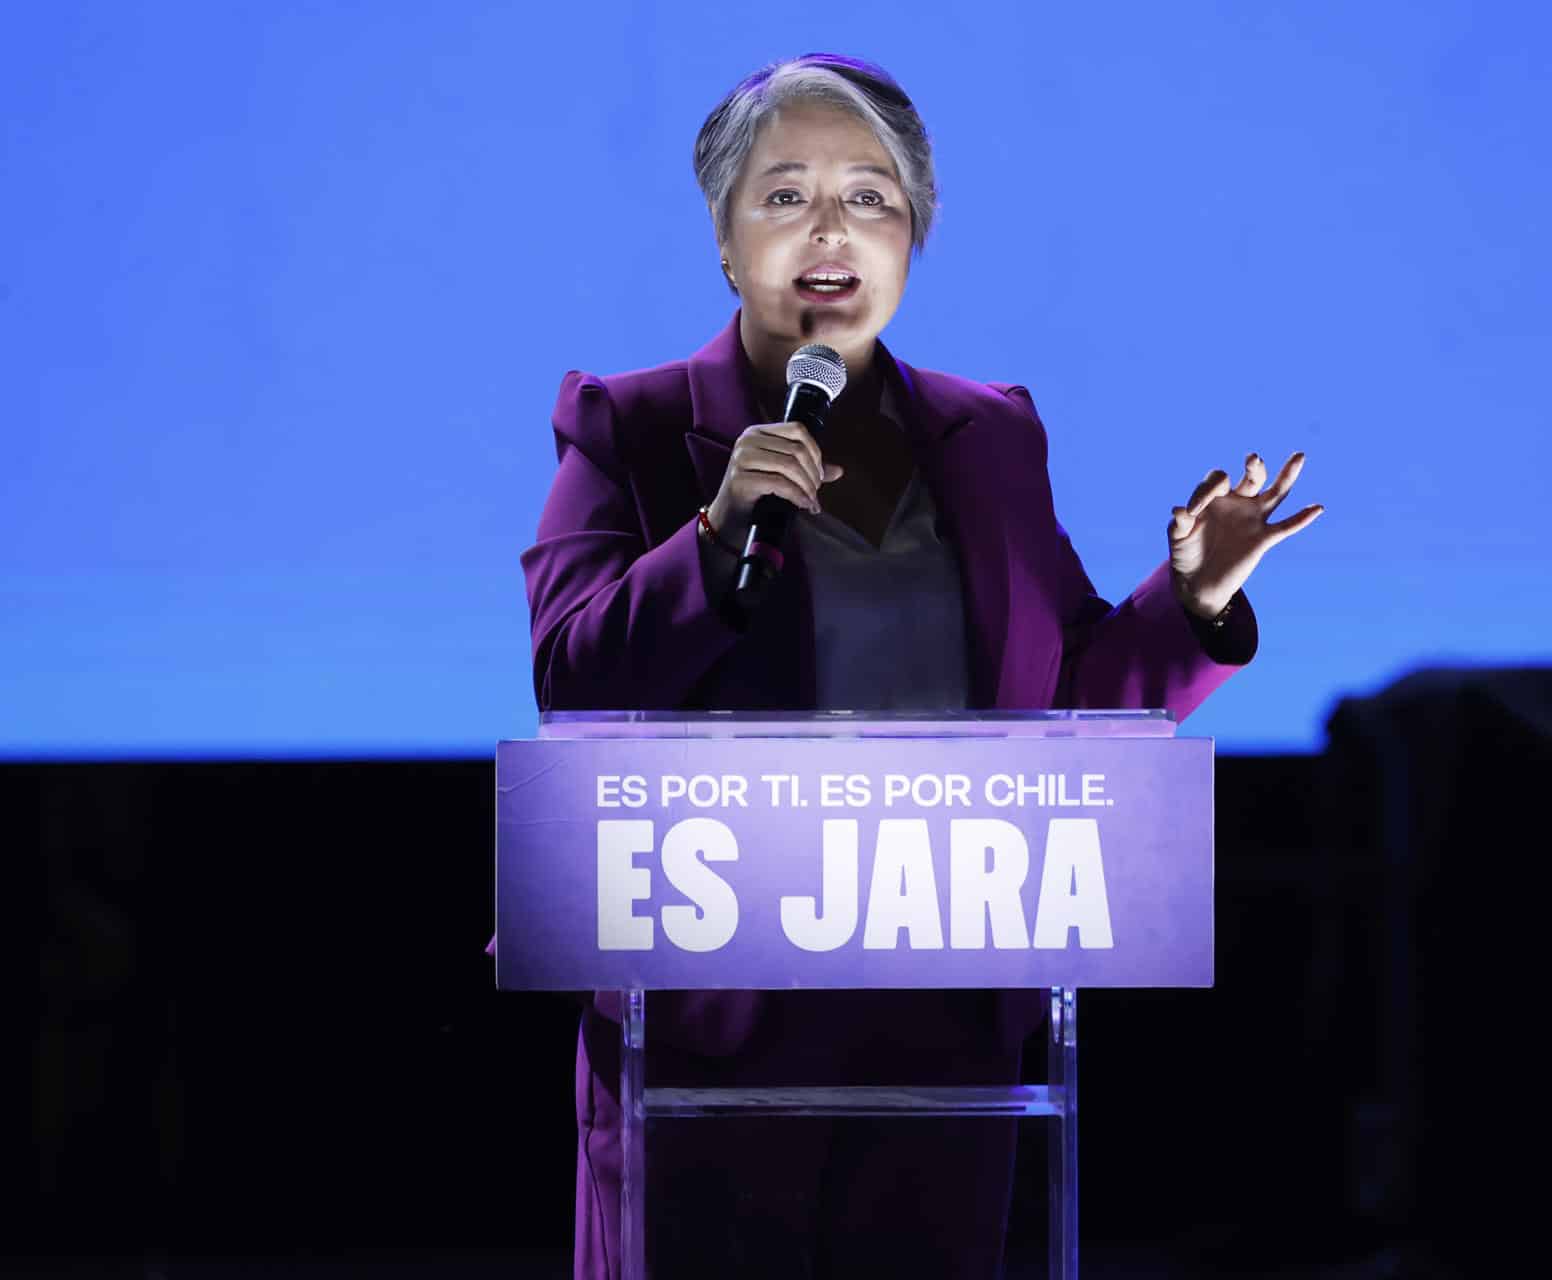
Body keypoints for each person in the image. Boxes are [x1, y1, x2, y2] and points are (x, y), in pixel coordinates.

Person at [518, 52, 1324, 1280]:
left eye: (871, 198)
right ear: (727, 244)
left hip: (947, 1025)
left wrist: (1193, 602)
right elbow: (572, 674)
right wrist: (717, 531)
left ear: (914, 241)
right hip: (713, 1037)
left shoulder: (987, 433)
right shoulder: (632, 427)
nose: (830, 229)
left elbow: (1064, 711)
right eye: (784, 196)